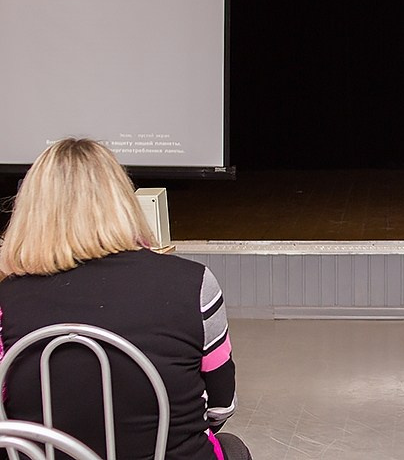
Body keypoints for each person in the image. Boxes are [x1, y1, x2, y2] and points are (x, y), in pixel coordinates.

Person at [0, 138, 250, 460]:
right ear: (122, 201)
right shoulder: (195, 283)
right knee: (234, 448)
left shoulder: (6, 299)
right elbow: (220, 407)